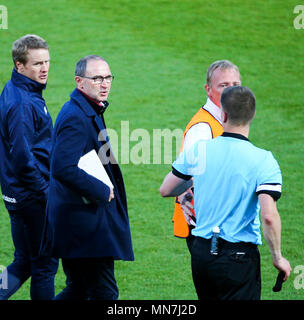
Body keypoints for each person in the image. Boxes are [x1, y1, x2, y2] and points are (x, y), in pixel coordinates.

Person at [160, 86, 291, 300]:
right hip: (239, 258)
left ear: (223, 114)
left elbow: (166, 189)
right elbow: (268, 216)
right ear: (253, 114)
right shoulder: (264, 160)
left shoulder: (199, 150)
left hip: (202, 254)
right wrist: (278, 257)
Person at [46, 55, 134, 300]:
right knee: (104, 294)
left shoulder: (86, 108)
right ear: (79, 81)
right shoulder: (76, 116)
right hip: (85, 225)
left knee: (79, 289)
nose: (104, 83)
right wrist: (101, 190)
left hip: (77, 222)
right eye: (96, 78)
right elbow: (62, 167)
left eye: (107, 77)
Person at [0, 34, 58, 300]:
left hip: (17, 194)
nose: (44, 68)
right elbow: (23, 159)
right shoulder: (23, 103)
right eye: (37, 64)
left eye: (46, 62)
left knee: (24, 262)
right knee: (44, 266)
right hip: (32, 197)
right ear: (19, 65)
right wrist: (46, 193)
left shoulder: (19, 90)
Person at [172, 60, 241, 250]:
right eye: (224, 85)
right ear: (208, 89)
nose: (231, 91)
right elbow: (186, 174)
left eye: (235, 85)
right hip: (208, 229)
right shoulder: (203, 128)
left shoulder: (226, 121)